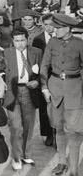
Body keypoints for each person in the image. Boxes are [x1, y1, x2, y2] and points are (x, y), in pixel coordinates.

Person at [40, 14, 83, 176]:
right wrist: (44, 87)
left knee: (75, 131)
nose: (54, 30)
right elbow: (44, 65)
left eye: (57, 28)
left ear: (67, 29)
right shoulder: (52, 43)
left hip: (74, 90)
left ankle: (74, 171)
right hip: (55, 89)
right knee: (58, 127)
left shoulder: (79, 44)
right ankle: (61, 162)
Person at [4, 27, 42, 170]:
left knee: (28, 125)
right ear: (12, 41)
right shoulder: (6, 53)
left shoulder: (36, 52)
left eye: (22, 40)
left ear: (27, 39)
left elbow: (41, 72)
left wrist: (37, 82)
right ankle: (16, 157)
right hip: (12, 93)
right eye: (16, 41)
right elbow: (2, 74)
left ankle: (26, 154)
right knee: (16, 127)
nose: (19, 44)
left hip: (29, 91)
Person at [32, 14, 55, 147]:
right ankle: (48, 134)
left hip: (58, 76)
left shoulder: (60, 37)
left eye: (51, 24)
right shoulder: (38, 40)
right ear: (43, 25)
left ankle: (58, 132)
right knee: (44, 106)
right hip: (44, 76)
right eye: (46, 24)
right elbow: (36, 60)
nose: (49, 27)